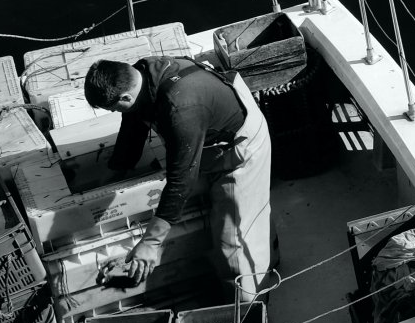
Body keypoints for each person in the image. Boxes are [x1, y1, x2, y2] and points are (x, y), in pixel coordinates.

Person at [83, 55, 273, 301]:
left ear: (126, 97)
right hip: (208, 129)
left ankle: (251, 305)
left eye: (112, 108)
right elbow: (133, 125)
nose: (113, 112)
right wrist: (114, 173)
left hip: (240, 148)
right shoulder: (140, 74)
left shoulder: (181, 110)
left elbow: (182, 181)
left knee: (233, 242)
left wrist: (150, 243)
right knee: (242, 221)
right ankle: (269, 253)